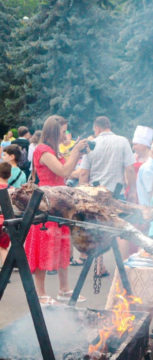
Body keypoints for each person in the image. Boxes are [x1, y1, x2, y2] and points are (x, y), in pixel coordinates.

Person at [25, 115, 88, 305]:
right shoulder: (43, 150)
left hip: (58, 202)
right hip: (46, 201)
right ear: (53, 131)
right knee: (44, 245)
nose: (65, 135)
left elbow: (70, 171)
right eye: (63, 131)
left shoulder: (54, 151)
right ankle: (40, 293)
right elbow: (63, 172)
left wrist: (80, 158)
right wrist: (75, 150)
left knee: (62, 246)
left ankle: (64, 289)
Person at [79, 116, 136, 202]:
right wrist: (132, 191)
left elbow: (83, 173)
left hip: (95, 195)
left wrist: (81, 196)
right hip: (117, 194)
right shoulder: (123, 141)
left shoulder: (91, 144)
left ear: (97, 128)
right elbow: (130, 169)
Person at [0, 162, 13, 267]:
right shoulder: (12, 190)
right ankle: (5, 272)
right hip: (6, 222)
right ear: (10, 175)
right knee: (3, 247)